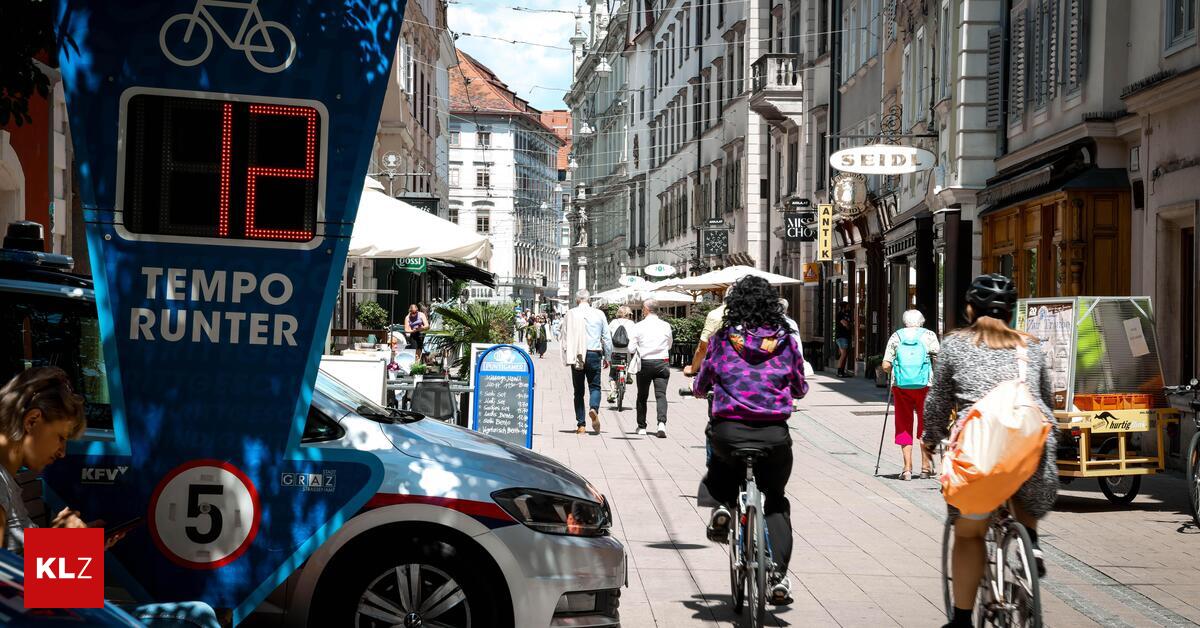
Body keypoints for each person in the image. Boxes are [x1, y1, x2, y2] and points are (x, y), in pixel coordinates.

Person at [0, 368, 220, 627]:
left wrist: (75, 548)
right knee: (195, 619)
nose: (62, 452)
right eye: (61, 437)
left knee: (199, 613)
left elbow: (32, 580)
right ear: (32, 420)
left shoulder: (10, 482)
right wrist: (59, 544)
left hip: (60, 612)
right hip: (52, 618)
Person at [923, 274, 1057, 628]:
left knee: (968, 533)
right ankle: (1030, 541)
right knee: (1023, 479)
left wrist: (929, 437)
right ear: (1011, 312)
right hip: (1032, 454)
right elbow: (1045, 399)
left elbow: (938, 401)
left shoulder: (954, 345)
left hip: (979, 455)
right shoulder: (1032, 345)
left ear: (970, 309)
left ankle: (962, 620)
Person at [693, 276, 808, 605]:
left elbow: (703, 382)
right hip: (773, 434)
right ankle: (777, 576)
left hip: (730, 431)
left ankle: (723, 507)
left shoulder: (722, 339)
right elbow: (799, 385)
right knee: (775, 501)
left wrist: (702, 389)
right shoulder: (786, 340)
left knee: (720, 463)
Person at [881, 309, 940, 480]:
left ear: (905, 321)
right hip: (925, 386)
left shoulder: (896, 336)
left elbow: (886, 364)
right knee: (926, 423)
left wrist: (896, 370)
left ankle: (907, 469)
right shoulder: (929, 335)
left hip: (901, 387)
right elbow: (939, 359)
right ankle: (925, 468)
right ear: (921, 321)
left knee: (903, 423)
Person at [560, 290, 612, 434]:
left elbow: (564, 335)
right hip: (594, 353)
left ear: (577, 300)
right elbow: (607, 337)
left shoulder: (570, 313)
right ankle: (594, 408)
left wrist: (565, 355)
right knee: (595, 386)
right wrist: (608, 357)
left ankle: (581, 425)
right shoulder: (599, 314)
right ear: (588, 300)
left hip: (577, 354)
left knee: (578, 391)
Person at [628, 300, 673, 437]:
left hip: (645, 363)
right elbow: (669, 345)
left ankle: (641, 427)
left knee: (642, 395)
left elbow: (630, 348)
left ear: (646, 309)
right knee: (661, 395)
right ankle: (661, 424)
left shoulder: (639, 326)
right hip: (662, 362)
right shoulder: (666, 325)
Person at [682, 288, 728, 377]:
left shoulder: (717, 314)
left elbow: (703, 348)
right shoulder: (758, 316)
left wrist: (692, 369)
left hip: (724, 372)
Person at [607, 306, 636, 403]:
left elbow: (607, 336)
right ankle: (628, 375)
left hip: (614, 350)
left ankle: (613, 391)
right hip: (627, 351)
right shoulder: (631, 323)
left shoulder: (613, 322)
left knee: (612, 373)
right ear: (628, 314)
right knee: (629, 361)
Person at [835, 303, 853, 377]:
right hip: (841, 336)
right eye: (847, 306)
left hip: (845, 337)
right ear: (843, 307)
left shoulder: (847, 314)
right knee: (843, 354)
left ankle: (842, 371)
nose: (848, 307)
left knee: (844, 354)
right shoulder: (840, 314)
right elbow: (844, 324)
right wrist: (848, 325)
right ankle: (839, 372)